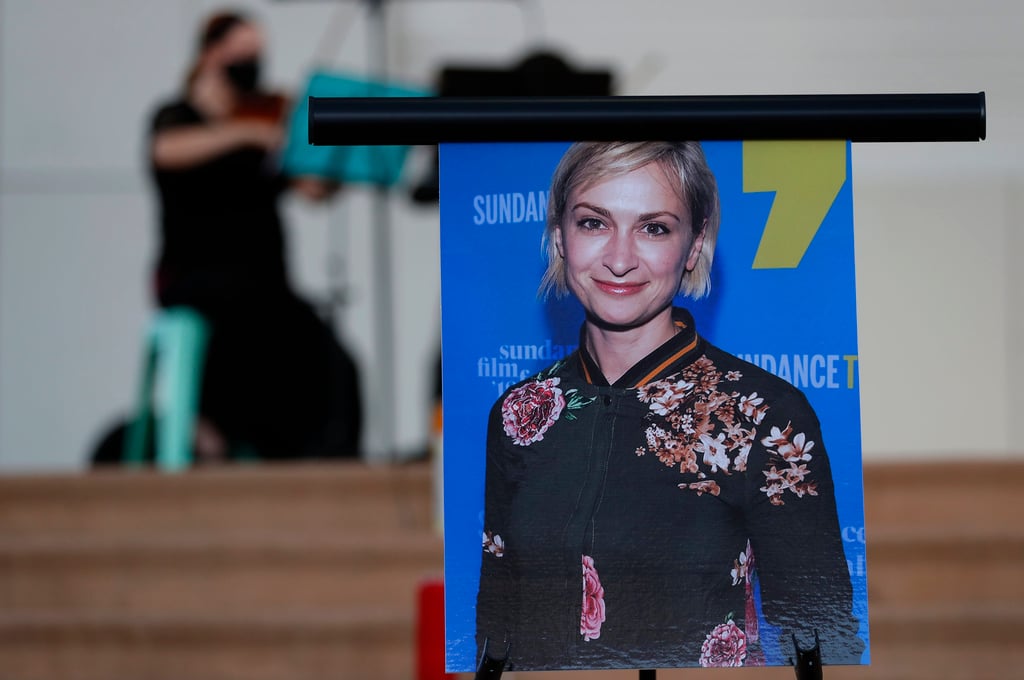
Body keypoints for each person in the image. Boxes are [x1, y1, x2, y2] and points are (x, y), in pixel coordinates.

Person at [475, 142, 864, 670]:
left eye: (653, 228)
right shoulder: (520, 414)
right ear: (559, 235)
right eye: (594, 223)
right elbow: (497, 634)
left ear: (695, 242)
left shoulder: (763, 414)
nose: (619, 257)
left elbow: (822, 642)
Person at [146, 10, 361, 462]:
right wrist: (247, 131)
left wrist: (337, 160)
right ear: (210, 54)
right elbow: (164, 150)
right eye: (240, 53)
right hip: (198, 279)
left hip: (264, 285)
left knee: (332, 358)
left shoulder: (267, 119)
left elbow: (310, 188)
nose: (251, 63)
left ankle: (316, 460)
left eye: (257, 55)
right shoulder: (177, 116)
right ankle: (223, 435)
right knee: (256, 336)